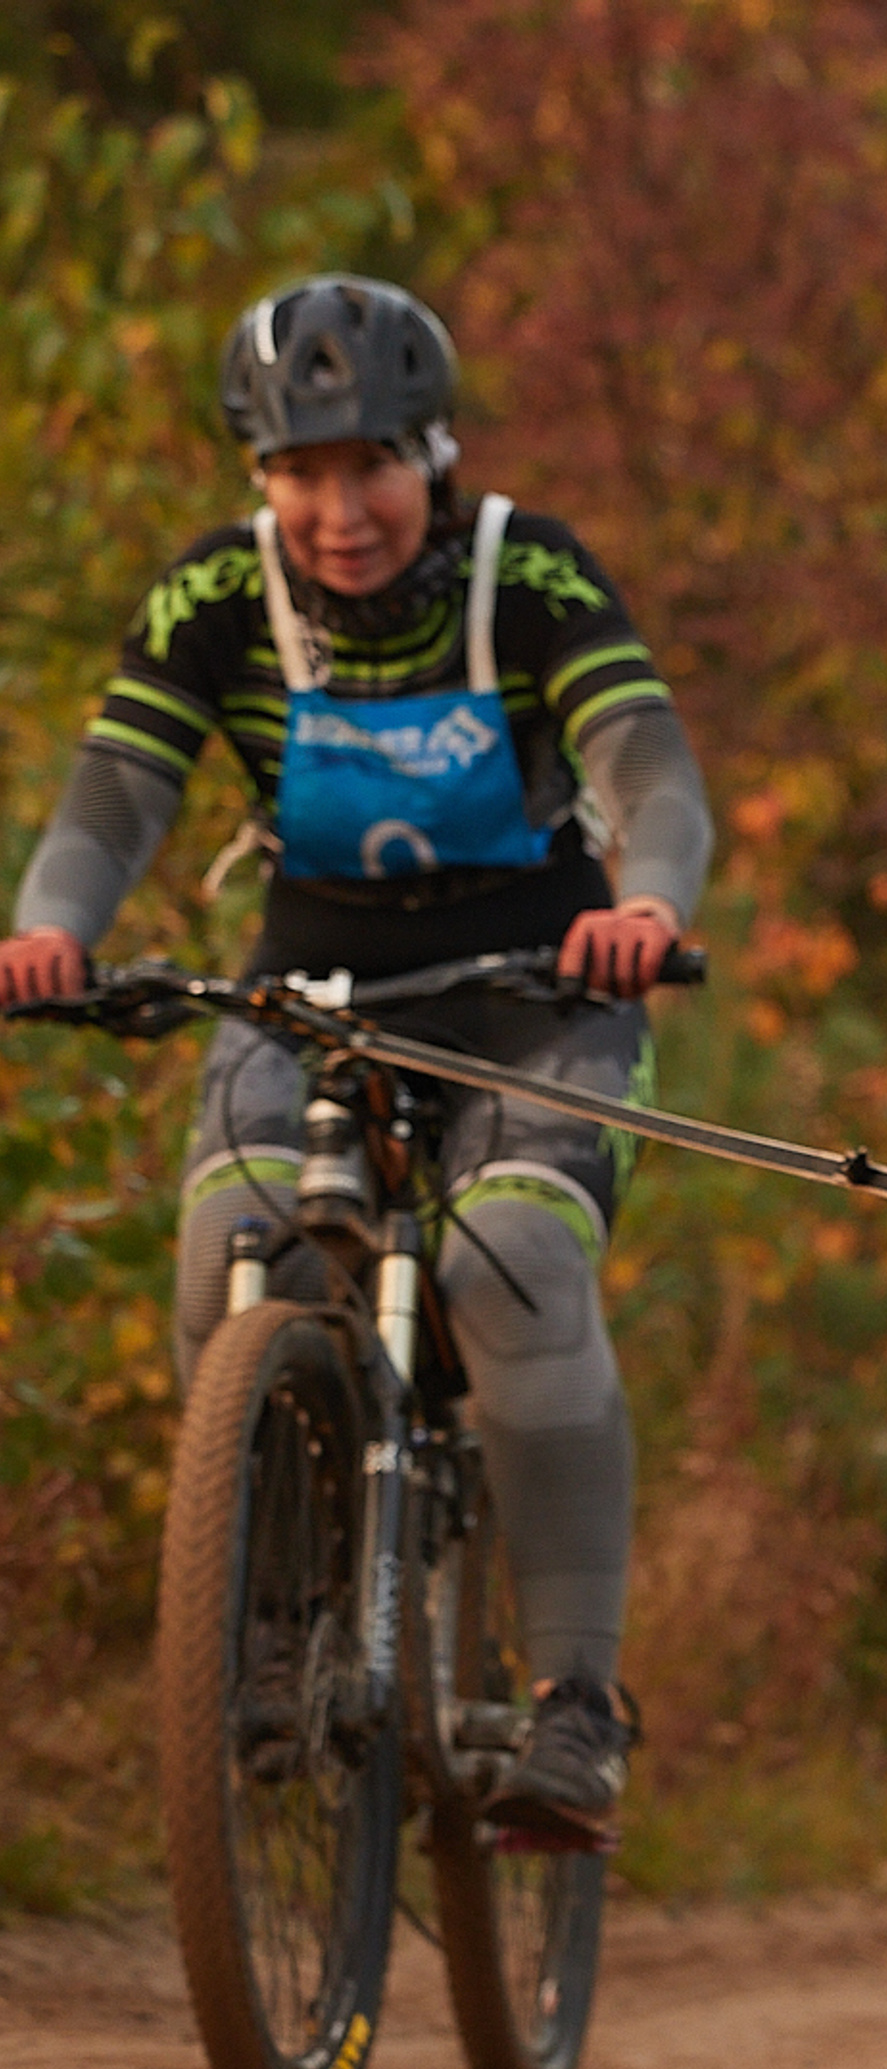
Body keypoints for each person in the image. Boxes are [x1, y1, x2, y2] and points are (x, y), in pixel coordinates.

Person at [0, 274, 715, 1843]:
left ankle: (576, 1701)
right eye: (299, 471)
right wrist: (52, 930)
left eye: (372, 464)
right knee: (229, 1250)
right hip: (310, 993)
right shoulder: (214, 596)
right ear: (258, 475)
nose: (339, 510)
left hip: (541, 989)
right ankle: (264, 1626)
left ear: (433, 453)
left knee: (514, 1263)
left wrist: (648, 906)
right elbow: (115, 796)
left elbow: (648, 768)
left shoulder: (526, 571)